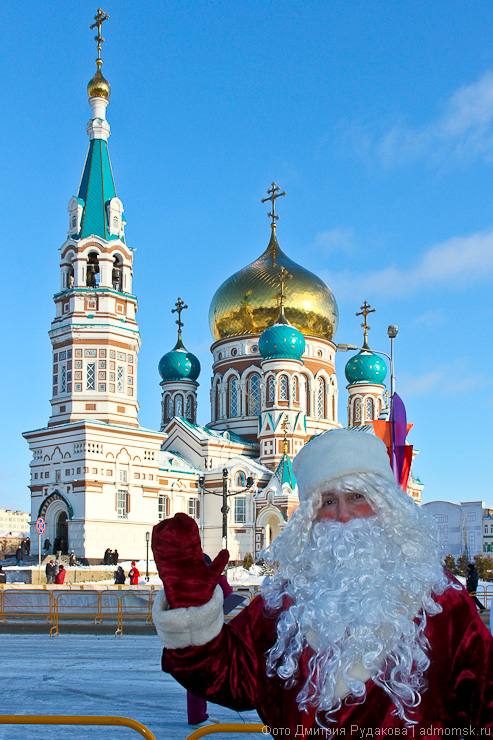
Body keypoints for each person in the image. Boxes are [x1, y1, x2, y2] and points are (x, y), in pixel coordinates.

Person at [152, 429, 493, 733]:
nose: (343, 515)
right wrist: (190, 606)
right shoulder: (283, 603)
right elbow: (230, 677)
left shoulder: (440, 599)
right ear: (310, 517)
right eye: (328, 501)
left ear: (386, 505)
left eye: (357, 496)